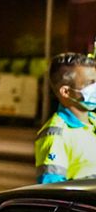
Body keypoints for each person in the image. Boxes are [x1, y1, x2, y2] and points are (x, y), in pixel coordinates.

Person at [36, 52, 96, 183]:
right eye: (91, 83)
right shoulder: (56, 135)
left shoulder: (93, 121)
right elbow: (52, 192)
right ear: (66, 92)